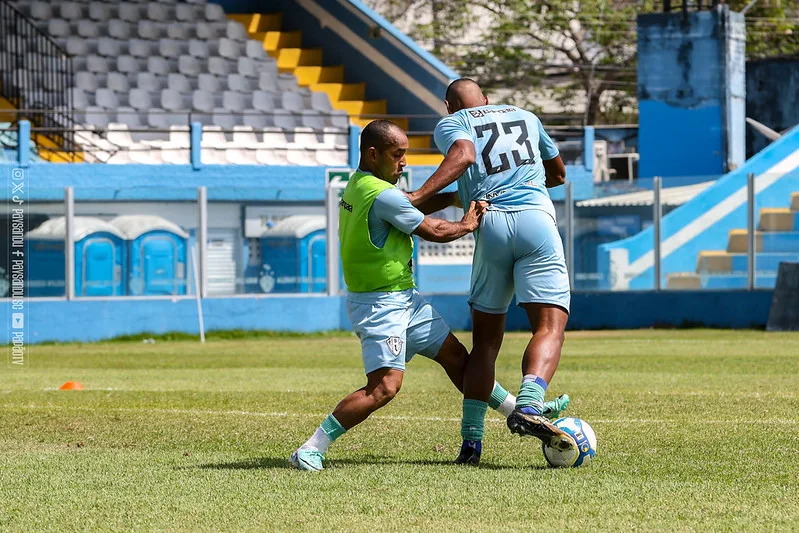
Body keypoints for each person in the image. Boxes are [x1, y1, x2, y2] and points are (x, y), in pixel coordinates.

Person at [290, 119, 569, 471]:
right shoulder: (382, 193)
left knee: (462, 363)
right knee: (384, 388)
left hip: (405, 300)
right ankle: (312, 447)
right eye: (397, 154)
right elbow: (433, 230)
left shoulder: (359, 184)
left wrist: (450, 196)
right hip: (381, 307)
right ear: (373, 154)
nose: (404, 162)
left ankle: (523, 413)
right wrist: (467, 223)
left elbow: (405, 207)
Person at [406, 79, 575, 465]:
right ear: (486, 98)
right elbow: (559, 174)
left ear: (449, 106)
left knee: (485, 344)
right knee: (548, 328)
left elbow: (463, 160)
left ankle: (471, 444)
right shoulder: (526, 117)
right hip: (536, 220)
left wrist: (413, 200)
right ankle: (531, 403)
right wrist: (527, 185)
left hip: (489, 221)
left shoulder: (453, 123)